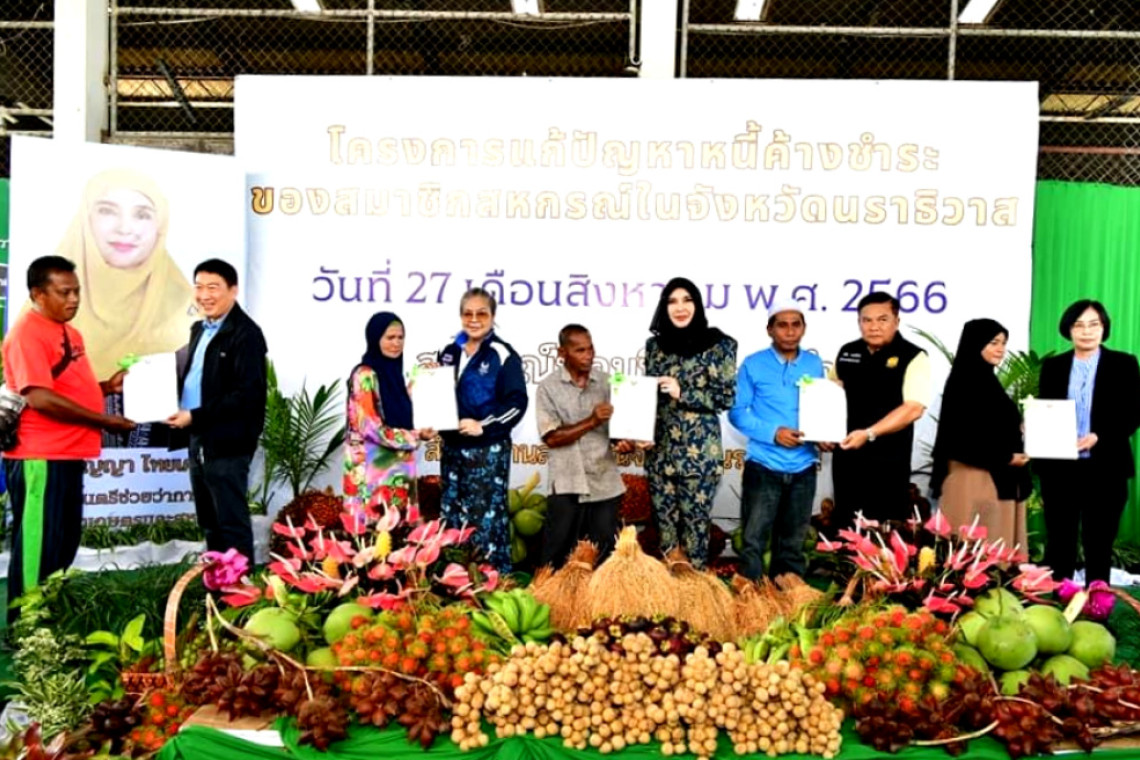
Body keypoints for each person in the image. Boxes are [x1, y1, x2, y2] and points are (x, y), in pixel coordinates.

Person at [3, 256, 136, 617]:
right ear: (38, 294)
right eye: (64, 292)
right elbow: (39, 397)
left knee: (62, 543)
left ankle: (50, 619)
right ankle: (26, 627)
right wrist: (104, 420)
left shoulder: (68, 332)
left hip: (67, 454)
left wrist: (106, 387)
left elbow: (63, 388)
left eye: (77, 291)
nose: (74, 299)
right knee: (38, 546)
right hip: (40, 457)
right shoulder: (27, 333)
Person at [167, 259, 266, 563]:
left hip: (228, 441)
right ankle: (218, 581)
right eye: (199, 287)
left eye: (213, 288)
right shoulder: (199, 329)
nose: (204, 295)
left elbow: (247, 396)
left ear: (233, 290)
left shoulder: (246, 334)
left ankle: (240, 587)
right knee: (209, 520)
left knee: (230, 521)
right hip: (198, 436)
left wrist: (195, 415)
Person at [57, 169, 198, 381]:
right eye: (107, 211)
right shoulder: (49, 303)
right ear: (86, 220)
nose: (124, 229)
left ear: (159, 227)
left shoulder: (186, 309)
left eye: (142, 215)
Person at [1036, 300, 1140, 583]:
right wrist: (1032, 425)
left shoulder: (1124, 364)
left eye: (1094, 324)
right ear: (1068, 330)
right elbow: (1046, 408)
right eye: (1078, 325)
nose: (1086, 331)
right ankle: (1060, 601)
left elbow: (1133, 413)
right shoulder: (1054, 366)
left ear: (1104, 328)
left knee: (1099, 543)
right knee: (1060, 541)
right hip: (1060, 469)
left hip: (1106, 467)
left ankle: (1097, 602)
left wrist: (1099, 436)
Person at [644, 277, 737, 568]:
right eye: (672, 301)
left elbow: (725, 398)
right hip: (660, 452)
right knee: (665, 531)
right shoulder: (654, 346)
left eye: (687, 300)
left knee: (696, 529)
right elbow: (648, 397)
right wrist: (641, 431)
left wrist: (683, 392)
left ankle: (694, 590)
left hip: (699, 455)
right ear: (664, 307)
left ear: (697, 304)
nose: (680, 308)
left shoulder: (721, 345)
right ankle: (669, 589)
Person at [729, 299, 824, 580]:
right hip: (763, 466)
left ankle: (788, 595)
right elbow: (737, 412)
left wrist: (822, 436)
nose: (790, 331)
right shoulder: (753, 364)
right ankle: (751, 597)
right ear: (770, 329)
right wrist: (773, 433)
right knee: (753, 541)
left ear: (804, 328)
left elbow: (819, 411)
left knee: (793, 544)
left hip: (804, 467)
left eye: (796, 324)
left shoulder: (814, 364)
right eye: (782, 325)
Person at [437, 288, 528, 573]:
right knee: (451, 519)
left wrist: (483, 425)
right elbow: (439, 397)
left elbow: (517, 403)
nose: (474, 319)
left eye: (481, 313)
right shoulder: (449, 352)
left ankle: (490, 584)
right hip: (452, 451)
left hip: (487, 452)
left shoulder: (503, 353)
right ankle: (453, 584)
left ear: (493, 316)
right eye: (468, 313)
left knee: (483, 524)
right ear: (460, 316)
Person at [930, 319, 1031, 549]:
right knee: (975, 549)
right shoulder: (964, 382)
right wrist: (1006, 457)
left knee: (991, 547)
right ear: (975, 343)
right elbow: (961, 437)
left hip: (994, 477)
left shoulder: (987, 381)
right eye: (993, 342)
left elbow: (991, 425)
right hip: (973, 477)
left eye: (1003, 343)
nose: (1000, 349)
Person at [832, 292, 931, 526]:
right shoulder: (847, 352)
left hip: (888, 462)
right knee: (846, 527)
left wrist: (869, 433)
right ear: (859, 322)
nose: (874, 327)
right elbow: (832, 393)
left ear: (896, 321)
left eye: (882, 319)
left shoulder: (913, 356)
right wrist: (824, 433)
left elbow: (913, 408)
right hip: (847, 459)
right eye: (866, 320)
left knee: (883, 532)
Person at [535, 325, 625, 567]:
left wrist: (624, 442)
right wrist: (591, 421)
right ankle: (551, 591)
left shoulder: (607, 383)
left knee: (605, 556)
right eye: (580, 350)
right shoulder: (548, 387)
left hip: (604, 481)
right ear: (562, 353)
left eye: (590, 348)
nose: (588, 355)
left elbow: (616, 431)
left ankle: (598, 593)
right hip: (567, 481)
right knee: (557, 555)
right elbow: (552, 437)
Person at [343, 312, 434, 519]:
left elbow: (400, 408)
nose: (396, 343)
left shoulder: (393, 374)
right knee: (373, 531)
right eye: (390, 337)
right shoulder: (365, 375)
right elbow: (370, 427)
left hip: (397, 468)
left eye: (400, 337)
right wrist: (414, 436)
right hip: (372, 472)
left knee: (398, 533)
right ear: (375, 339)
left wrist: (426, 380)